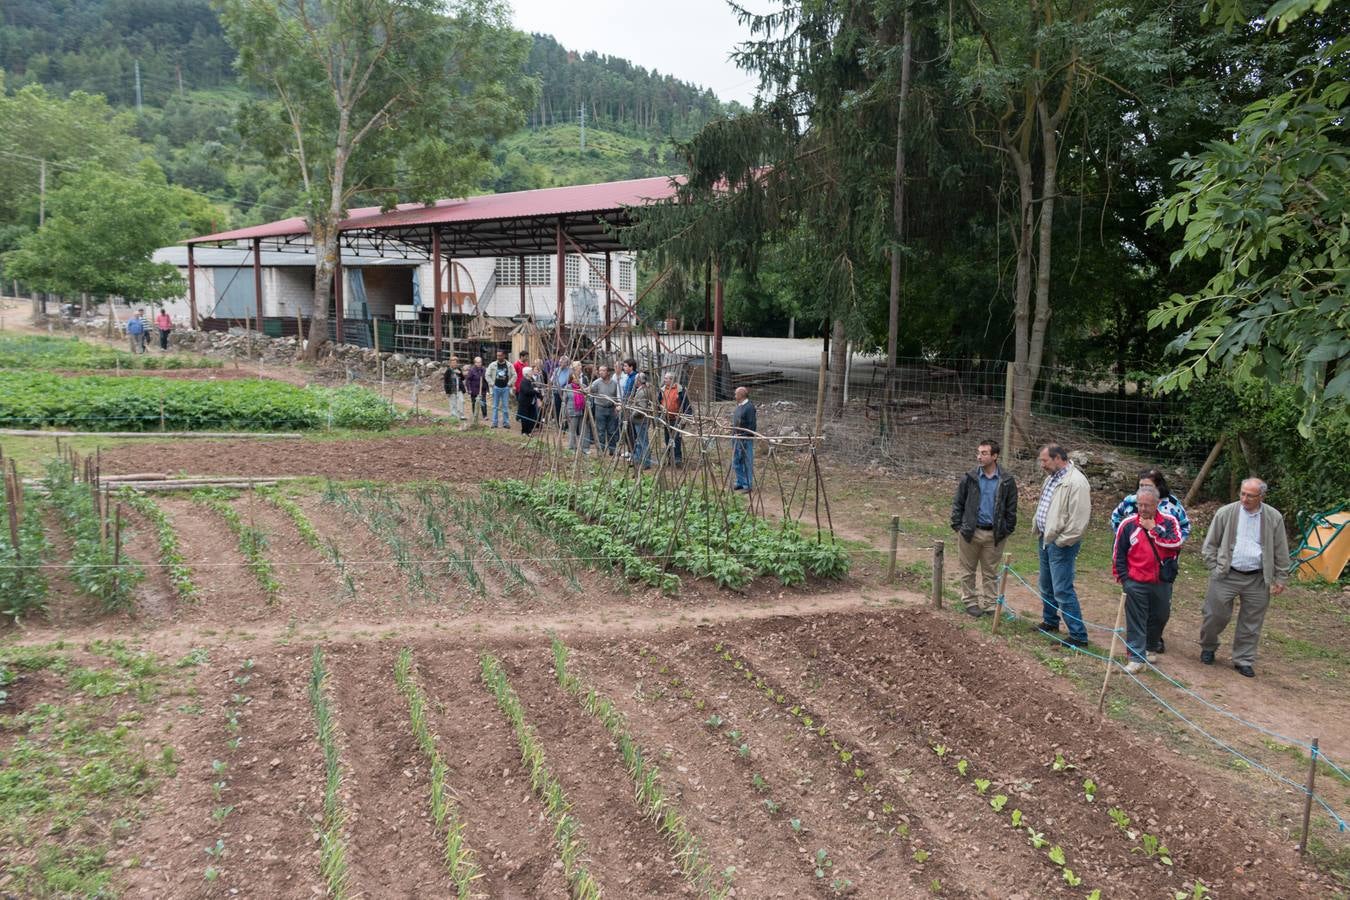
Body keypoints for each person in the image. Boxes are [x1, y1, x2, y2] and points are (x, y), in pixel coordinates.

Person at [1199, 477, 1291, 677]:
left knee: (1252, 622)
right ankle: (1208, 646)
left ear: (1261, 496)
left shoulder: (1273, 517)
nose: (1245, 498)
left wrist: (1280, 577)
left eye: (1250, 495)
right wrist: (1214, 567)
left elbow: (1281, 549)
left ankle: (1243, 659)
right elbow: (1210, 544)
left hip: (1257, 578)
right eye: (1243, 493)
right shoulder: (1225, 513)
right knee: (1214, 615)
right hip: (1226, 574)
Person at [1110, 468, 1192, 653]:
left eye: (1148, 486)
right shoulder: (1129, 513)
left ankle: (1152, 644)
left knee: (1161, 614)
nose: (1143, 508)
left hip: (1162, 574)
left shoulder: (1170, 514)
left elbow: (1178, 538)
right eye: (1141, 486)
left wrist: (1155, 531)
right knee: (1137, 615)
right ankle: (1136, 656)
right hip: (1135, 576)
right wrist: (1125, 577)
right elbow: (1118, 541)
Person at [950, 439, 1018, 618]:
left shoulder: (1007, 480)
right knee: (967, 570)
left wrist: (1006, 530)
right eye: (978, 452)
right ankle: (970, 602)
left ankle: (990, 605)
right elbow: (958, 503)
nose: (979, 456)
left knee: (991, 572)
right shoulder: (969, 477)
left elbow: (1011, 508)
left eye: (984, 453)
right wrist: (958, 526)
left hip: (994, 534)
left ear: (995, 456)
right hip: (970, 532)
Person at [1033, 444, 1092, 647]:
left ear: (1058, 458)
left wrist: (1061, 541)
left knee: (1062, 589)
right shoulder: (1052, 479)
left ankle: (1078, 635)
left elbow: (1079, 521)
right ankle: (1050, 621)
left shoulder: (1076, 482)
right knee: (1046, 584)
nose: (1042, 465)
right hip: (1046, 539)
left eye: (1045, 461)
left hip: (1061, 544)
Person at [659, 372, 692, 465]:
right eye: (664, 378)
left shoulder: (680, 390)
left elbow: (687, 405)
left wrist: (685, 418)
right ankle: (670, 457)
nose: (664, 380)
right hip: (666, 419)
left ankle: (677, 458)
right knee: (667, 439)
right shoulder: (662, 390)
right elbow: (658, 403)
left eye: (666, 378)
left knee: (676, 439)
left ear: (672, 379)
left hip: (677, 419)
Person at [589, 366, 621, 454]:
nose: (601, 372)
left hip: (611, 409)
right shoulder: (596, 383)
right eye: (600, 371)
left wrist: (616, 406)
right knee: (600, 431)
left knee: (611, 430)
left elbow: (616, 396)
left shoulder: (614, 383)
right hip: (600, 408)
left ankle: (612, 449)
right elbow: (589, 391)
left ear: (608, 372)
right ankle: (601, 450)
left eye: (603, 370)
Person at [731, 386, 757, 492]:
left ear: (741, 395)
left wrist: (745, 435)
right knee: (736, 460)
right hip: (736, 438)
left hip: (745, 438)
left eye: (736, 394)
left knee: (746, 461)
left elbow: (752, 425)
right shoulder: (739, 406)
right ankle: (740, 482)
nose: (735, 396)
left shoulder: (749, 407)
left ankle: (747, 484)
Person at [628, 373, 655, 469]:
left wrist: (632, 414)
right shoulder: (642, 390)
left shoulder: (642, 392)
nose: (635, 381)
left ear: (638, 381)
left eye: (636, 380)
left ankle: (646, 463)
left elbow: (642, 408)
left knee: (643, 442)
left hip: (641, 420)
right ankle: (638, 459)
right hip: (640, 420)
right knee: (639, 441)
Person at [485, 350, 515, 429]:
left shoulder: (509, 365)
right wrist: (492, 384)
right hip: (496, 388)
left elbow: (514, 375)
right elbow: (487, 375)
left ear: (504, 356)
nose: (498, 357)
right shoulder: (493, 365)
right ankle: (494, 423)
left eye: (500, 355)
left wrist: (509, 384)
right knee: (495, 406)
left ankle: (506, 423)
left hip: (505, 388)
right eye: (497, 355)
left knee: (505, 406)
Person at [566, 369, 590, 452]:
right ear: (571, 379)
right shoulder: (568, 387)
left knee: (584, 429)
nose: (577, 379)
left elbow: (588, 398)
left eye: (578, 378)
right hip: (572, 411)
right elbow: (564, 401)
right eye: (575, 378)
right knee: (572, 430)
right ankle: (572, 448)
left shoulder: (583, 386)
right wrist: (565, 414)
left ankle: (585, 448)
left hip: (582, 411)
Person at [517, 366, 540, 435]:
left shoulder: (531, 380)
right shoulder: (524, 381)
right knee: (525, 417)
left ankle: (529, 431)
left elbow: (536, 388)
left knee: (531, 416)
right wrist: (535, 390)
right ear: (527, 373)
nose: (532, 372)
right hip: (524, 402)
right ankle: (524, 431)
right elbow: (527, 391)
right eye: (530, 371)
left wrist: (539, 396)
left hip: (531, 402)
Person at [443, 355, 465, 425]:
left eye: (455, 363)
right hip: (451, 389)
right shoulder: (448, 371)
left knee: (461, 401)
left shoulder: (458, 369)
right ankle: (454, 415)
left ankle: (461, 415)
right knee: (453, 403)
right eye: (452, 363)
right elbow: (446, 381)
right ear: (450, 363)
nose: (454, 364)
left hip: (459, 389)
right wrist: (447, 392)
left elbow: (463, 378)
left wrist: (460, 373)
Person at [465, 356, 486, 427]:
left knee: (483, 402)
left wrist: (487, 389)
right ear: (475, 363)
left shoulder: (483, 369)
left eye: (480, 362)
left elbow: (485, 379)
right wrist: (469, 389)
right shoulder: (472, 370)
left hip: (482, 390)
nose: (479, 364)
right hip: (474, 390)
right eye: (477, 362)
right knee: (474, 403)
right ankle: (475, 415)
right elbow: (468, 380)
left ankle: (485, 415)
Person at [551, 355, 572, 429]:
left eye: (562, 362)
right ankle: (558, 424)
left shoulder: (570, 371)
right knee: (557, 408)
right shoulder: (556, 370)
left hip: (564, 393)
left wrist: (558, 384)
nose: (560, 363)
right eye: (560, 361)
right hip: (556, 392)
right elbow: (552, 380)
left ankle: (564, 424)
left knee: (564, 408)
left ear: (567, 363)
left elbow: (564, 381)